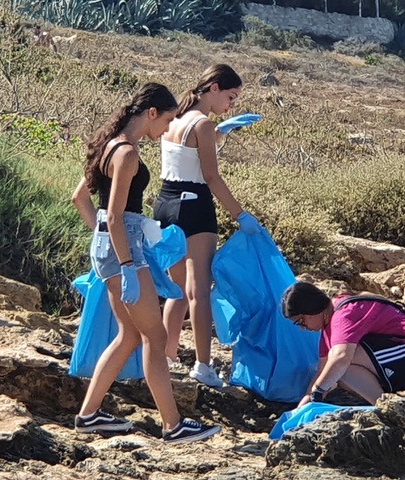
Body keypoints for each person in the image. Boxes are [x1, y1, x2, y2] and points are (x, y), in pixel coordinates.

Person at [71, 83, 221, 444]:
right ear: (151, 113)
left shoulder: (110, 144)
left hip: (112, 250)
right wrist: (125, 263)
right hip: (125, 254)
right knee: (155, 336)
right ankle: (173, 425)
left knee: (129, 335)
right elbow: (117, 216)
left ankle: (88, 415)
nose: (167, 128)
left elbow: (81, 199)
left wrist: (102, 240)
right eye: (167, 120)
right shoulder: (127, 154)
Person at [153, 64, 261, 387]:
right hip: (195, 205)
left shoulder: (176, 119)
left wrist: (220, 134)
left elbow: (187, 153)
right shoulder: (202, 123)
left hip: (166, 203)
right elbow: (211, 177)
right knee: (199, 290)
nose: (231, 105)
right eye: (231, 97)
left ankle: (166, 355)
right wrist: (240, 215)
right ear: (213, 88)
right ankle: (203, 365)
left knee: (177, 290)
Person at [281, 281, 405, 406]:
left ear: (311, 309)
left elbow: (341, 357)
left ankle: (387, 406)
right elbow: (322, 371)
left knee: (341, 364)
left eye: (301, 321)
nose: (302, 328)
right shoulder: (328, 328)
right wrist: (303, 407)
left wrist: (318, 392)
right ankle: (387, 405)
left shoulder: (344, 314)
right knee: (334, 371)